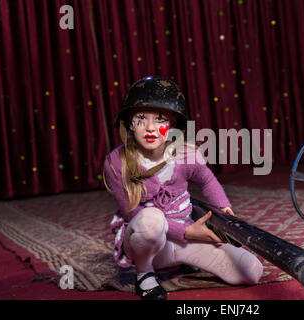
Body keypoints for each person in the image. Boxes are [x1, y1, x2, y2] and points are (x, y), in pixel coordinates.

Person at [103, 76, 263, 300]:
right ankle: (145, 275)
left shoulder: (186, 154)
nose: (150, 127)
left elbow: (207, 180)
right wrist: (186, 232)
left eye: (160, 119)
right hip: (146, 242)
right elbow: (132, 212)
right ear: (130, 123)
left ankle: (183, 260)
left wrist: (224, 209)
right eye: (141, 118)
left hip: (182, 240)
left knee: (251, 272)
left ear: (173, 124)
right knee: (151, 219)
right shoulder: (116, 162)